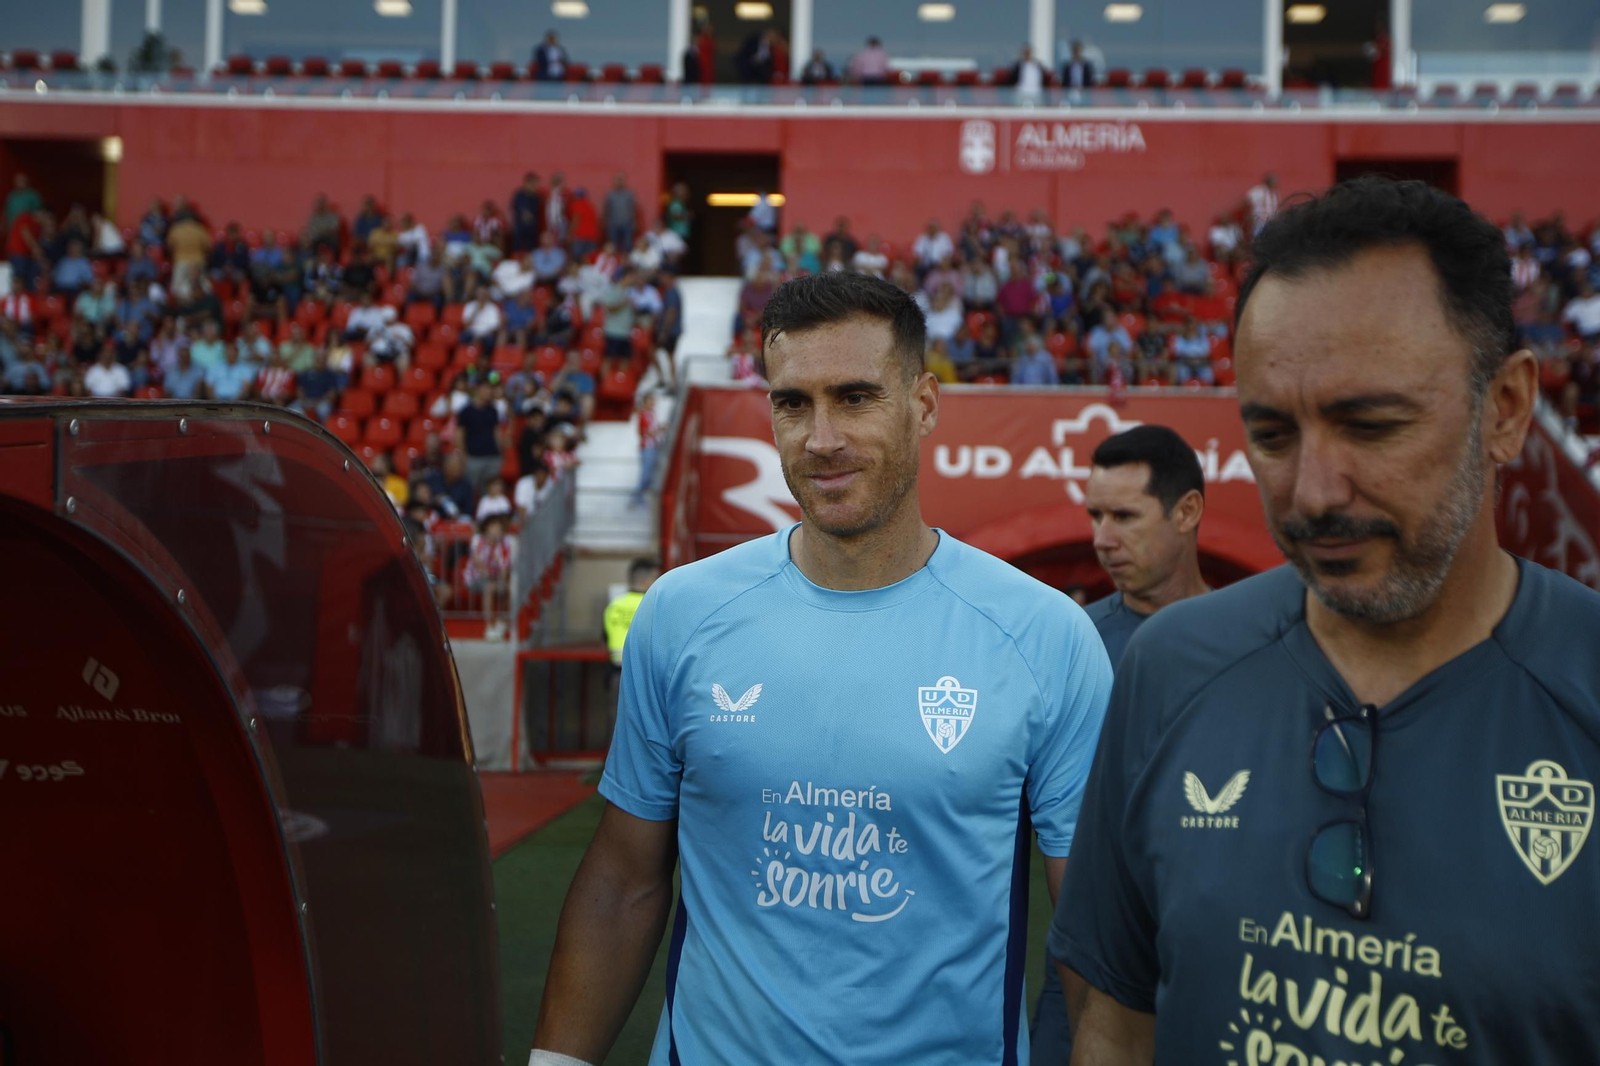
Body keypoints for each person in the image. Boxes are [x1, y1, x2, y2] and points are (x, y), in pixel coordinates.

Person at [1055, 176, 1600, 1065]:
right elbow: (1115, 1020)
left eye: (1372, 425)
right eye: (1272, 436)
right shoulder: (1170, 668)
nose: (1312, 493)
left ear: (1504, 410)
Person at [530, 270, 1112, 1066]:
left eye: (856, 397)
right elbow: (624, 879)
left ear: (925, 405)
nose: (821, 438)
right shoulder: (682, 614)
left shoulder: (1045, 637)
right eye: (792, 402)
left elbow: (1094, 932)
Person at [1031, 423, 1211, 1065]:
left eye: (1125, 516)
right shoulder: (1068, 644)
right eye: (1095, 515)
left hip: (1215, 957)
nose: (1102, 538)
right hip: (1085, 964)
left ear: (1187, 511)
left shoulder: (1252, 644)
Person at [603, 558, 659, 667]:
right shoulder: (653, 605)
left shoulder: (614, 605)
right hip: (643, 670)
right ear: (646, 581)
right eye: (656, 578)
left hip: (617, 668)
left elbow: (605, 638)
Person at [457, 380, 506, 495]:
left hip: (492, 457)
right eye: (486, 389)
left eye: (490, 389)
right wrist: (463, 455)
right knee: (469, 490)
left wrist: (500, 452)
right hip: (474, 457)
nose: (489, 392)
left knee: (491, 492)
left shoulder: (493, 410)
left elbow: (496, 432)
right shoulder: (466, 411)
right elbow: (460, 435)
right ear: (478, 390)